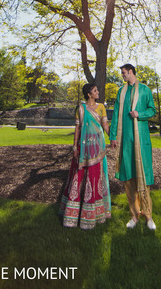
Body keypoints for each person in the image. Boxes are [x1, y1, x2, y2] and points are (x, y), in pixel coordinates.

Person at [110, 63, 157, 230]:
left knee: (143, 177)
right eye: (122, 73)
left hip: (141, 140)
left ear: (131, 72)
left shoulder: (145, 90)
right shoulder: (121, 92)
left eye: (124, 73)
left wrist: (140, 114)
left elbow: (152, 110)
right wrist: (113, 136)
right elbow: (116, 114)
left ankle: (149, 216)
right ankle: (134, 216)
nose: (122, 76)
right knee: (129, 179)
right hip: (125, 142)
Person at [60, 83, 111, 229]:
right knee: (79, 176)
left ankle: (95, 212)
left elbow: (105, 125)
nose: (98, 92)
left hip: (98, 147)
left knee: (95, 176)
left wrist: (112, 136)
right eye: (95, 90)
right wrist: (75, 147)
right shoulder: (81, 109)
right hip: (83, 148)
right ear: (89, 94)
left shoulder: (101, 107)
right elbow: (77, 128)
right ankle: (73, 213)